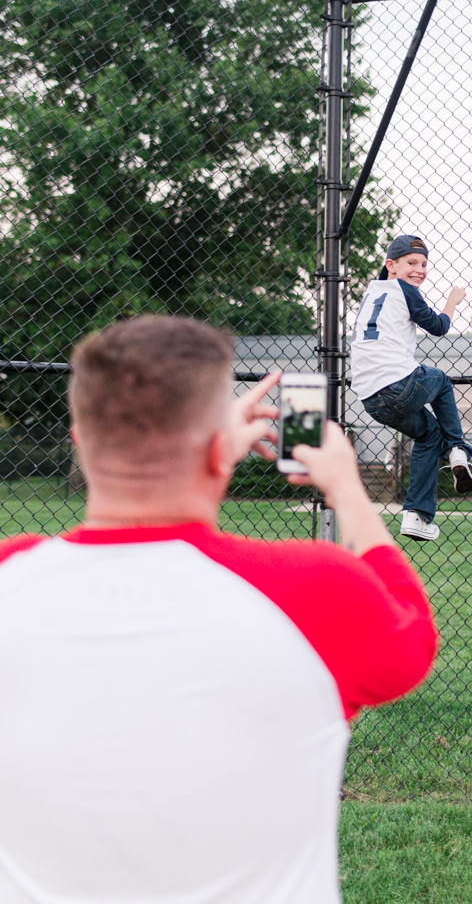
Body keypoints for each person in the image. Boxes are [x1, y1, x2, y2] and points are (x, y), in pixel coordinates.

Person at [0, 315, 437, 904]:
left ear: (79, 439)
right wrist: (347, 490)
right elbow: (408, 627)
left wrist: (205, 450)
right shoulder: (311, 588)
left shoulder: (12, 574)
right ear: (216, 447)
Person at [350, 234, 472, 542]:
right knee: (442, 381)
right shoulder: (406, 291)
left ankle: (416, 516)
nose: (419, 269)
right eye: (411, 263)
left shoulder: (372, 292)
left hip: (370, 398)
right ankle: (458, 450)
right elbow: (439, 327)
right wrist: (453, 300)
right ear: (391, 265)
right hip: (398, 383)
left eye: (423, 264)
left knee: (429, 434)